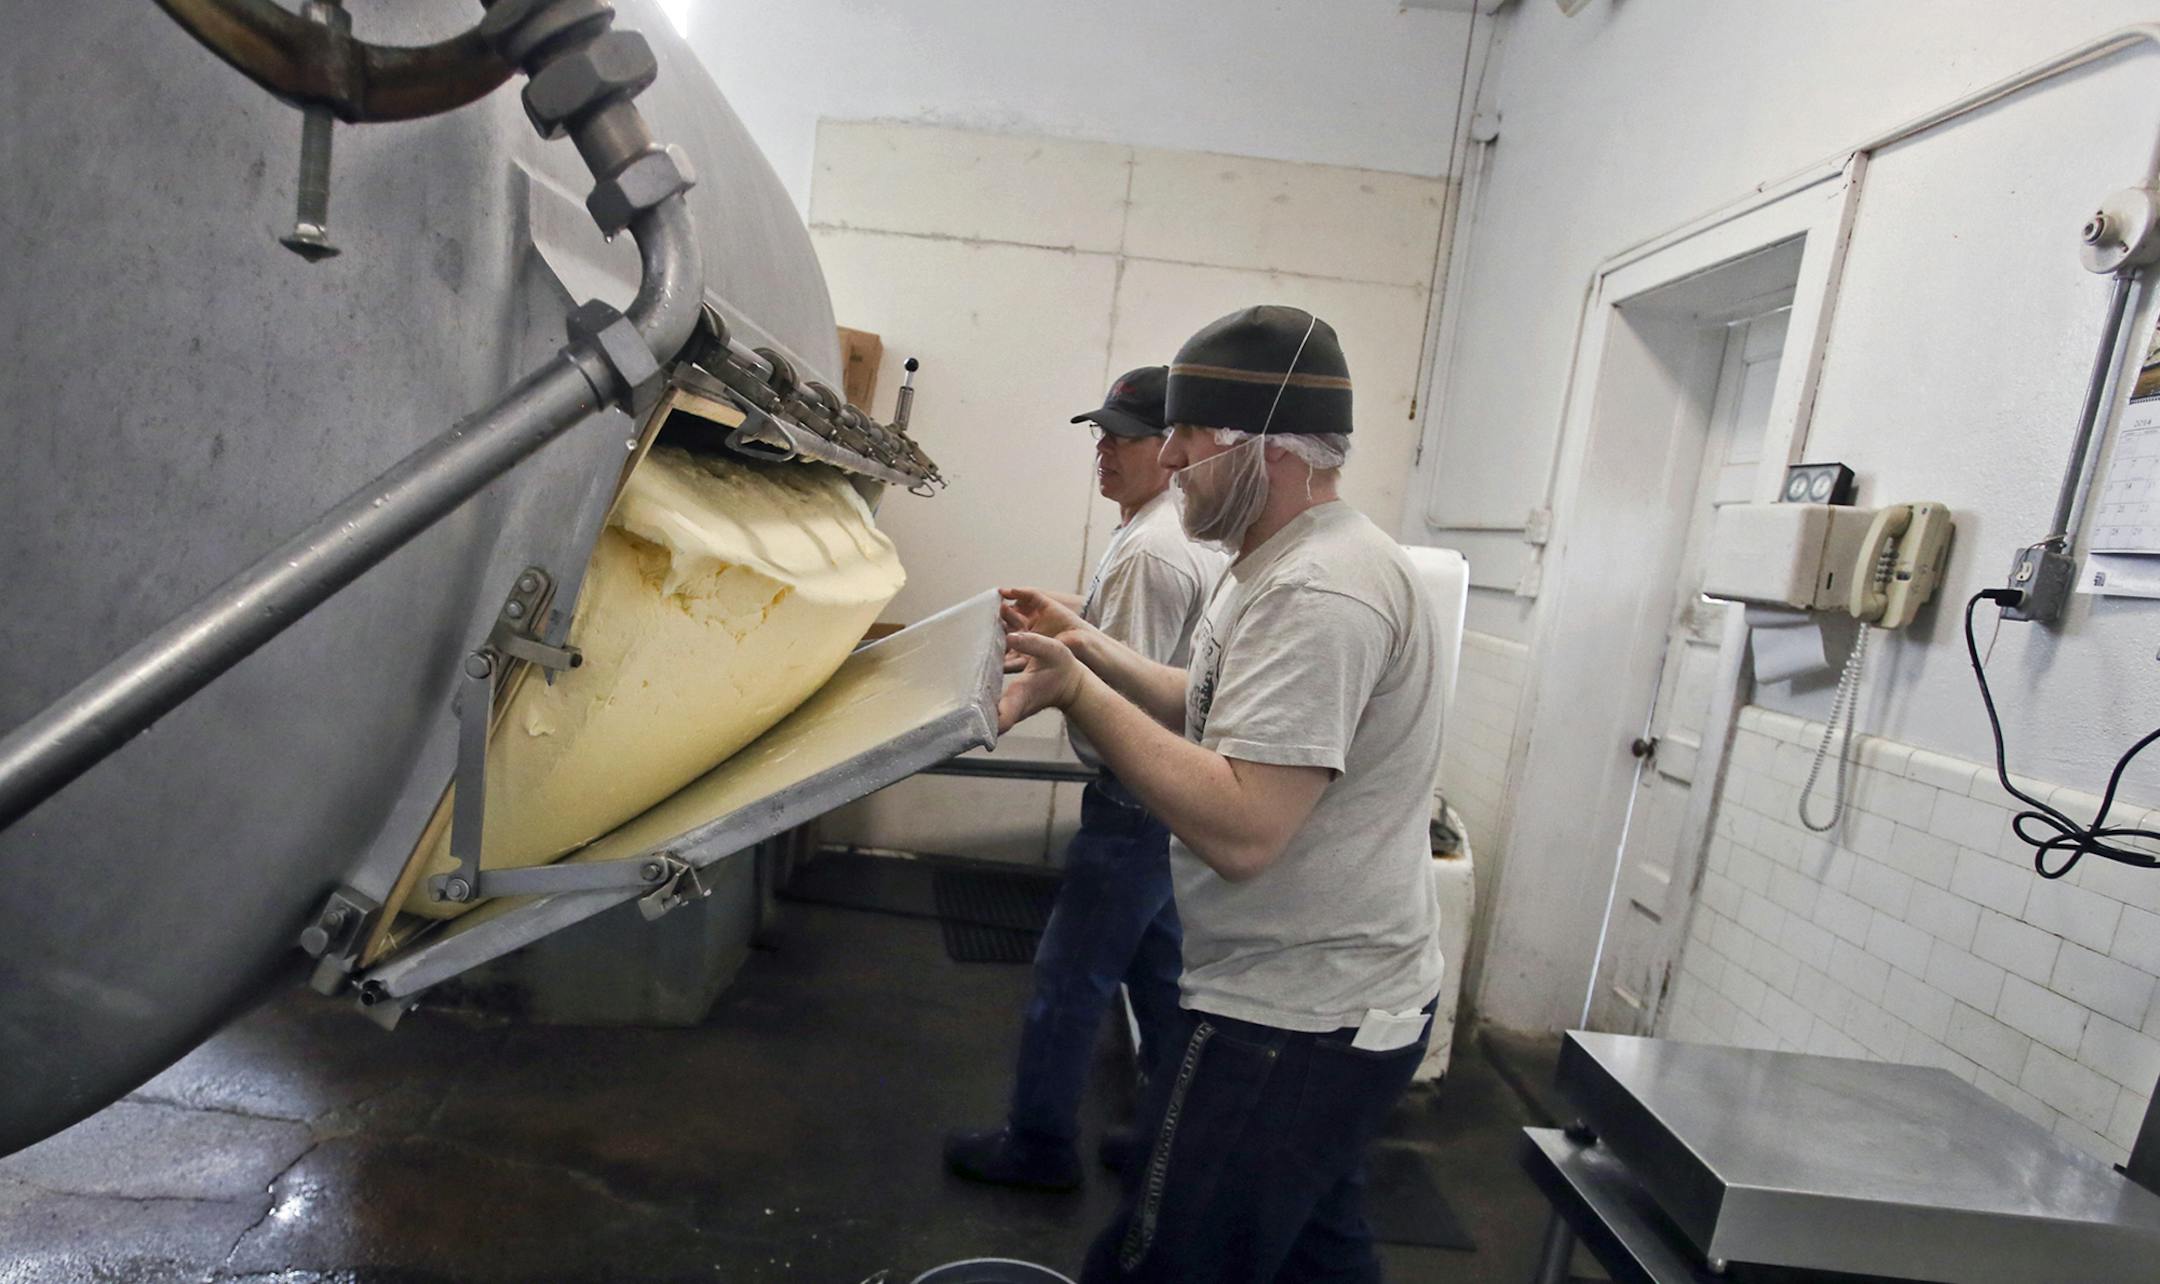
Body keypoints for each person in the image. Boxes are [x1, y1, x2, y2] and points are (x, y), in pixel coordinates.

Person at [998, 306, 1445, 1282]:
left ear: (1264, 450)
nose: (1172, 461)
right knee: (1315, 1257)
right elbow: (1199, 704)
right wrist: (1088, 647)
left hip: (1291, 1021)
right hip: (1332, 1001)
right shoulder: (1269, 562)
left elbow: (1245, 828)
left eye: (1190, 439)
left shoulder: (1321, 592)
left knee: (1165, 1258)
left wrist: (1077, 695)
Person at [945, 366, 1225, 1191]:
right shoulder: (1162, 530)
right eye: (1098, 434)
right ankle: (1168, 1144)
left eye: (1122, 437)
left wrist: (1024, 693)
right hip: (1163, 809)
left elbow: (1116, 688)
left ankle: (1038, 1146)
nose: (1103, 450)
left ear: (1169, 451)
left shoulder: (1152, 552)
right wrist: (1067, 612)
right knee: (1165, 984)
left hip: (1131, 807)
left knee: (1071, 978)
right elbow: (1133, 644)